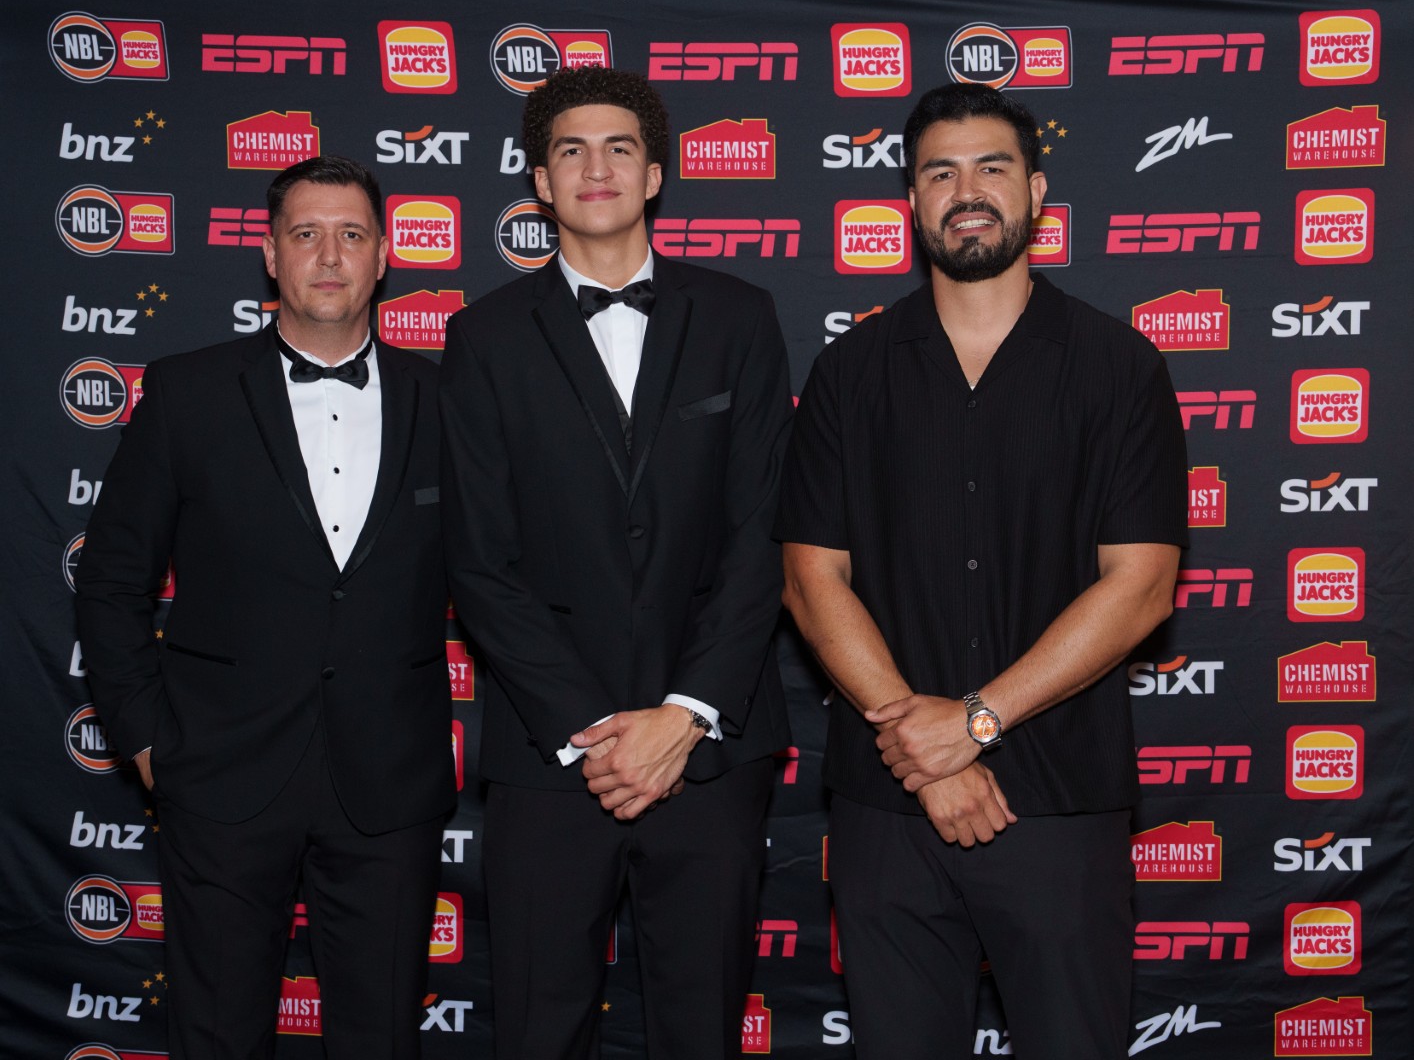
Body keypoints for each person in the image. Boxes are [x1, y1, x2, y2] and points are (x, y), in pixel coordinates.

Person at [775, 83, 1188, 1059]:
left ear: (1036, 192)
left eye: (992, 168)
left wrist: (972, 725)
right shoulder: (850, 372)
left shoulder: (1118, 366)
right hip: (888, 806)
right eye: (941, 173)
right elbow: (810, 580)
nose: (967, 192)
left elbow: (1140, 585)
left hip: (1057, 800)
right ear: (912, 202)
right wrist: (921, 750)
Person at [440, 67, 792, 1059]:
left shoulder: (740, 317)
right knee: (538, 1033)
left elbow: (765, 533)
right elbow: (479, 559)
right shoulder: (482, 337)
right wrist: (596, 734)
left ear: (655, 174)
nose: (595, 168)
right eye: (570, 151)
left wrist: (682, 715)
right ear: (540, 183)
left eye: (619, 148)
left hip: (710, 753)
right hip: (551, 760)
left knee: (701, 1030)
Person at [75, 155, 455, 1060]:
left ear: (384, 257)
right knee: (216, 1035)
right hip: (219, 773)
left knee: (381, 1040)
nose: (330, 255)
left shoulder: (447, 400)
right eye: (306, 234)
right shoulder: (187, 391)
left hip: (389, 779)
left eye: (351, 235)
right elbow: (113, 579)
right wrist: (147, 739)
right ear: (271, 255)